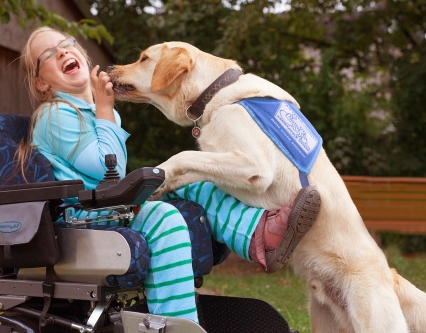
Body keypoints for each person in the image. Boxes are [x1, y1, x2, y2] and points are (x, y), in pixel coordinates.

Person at [18, 26, 320, 323]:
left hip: (107, 207)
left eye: (66, 43)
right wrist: (106, 110)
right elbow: (105, 166)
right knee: (165, 218)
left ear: (81, 55)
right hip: (80, 217)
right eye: (48, 54)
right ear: (42, 83)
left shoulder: (94, 114)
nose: (61, 51)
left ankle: (258, 233)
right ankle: (175, 323)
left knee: (194, 180)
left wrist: (104, 112)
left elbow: (111, 174)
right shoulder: (55, 113)